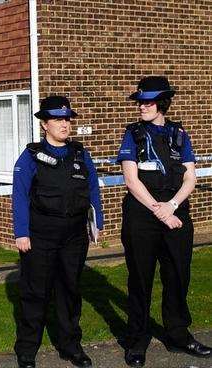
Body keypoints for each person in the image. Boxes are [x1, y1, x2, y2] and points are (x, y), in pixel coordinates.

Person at [116, 76, 211, 367]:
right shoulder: (132, 134)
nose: (142, 106)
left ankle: (178, 334)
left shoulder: (179, 134)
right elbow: (131, 180)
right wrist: (159, 211)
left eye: (149, 101)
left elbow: (190, 177)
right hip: (142, 214)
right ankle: (137, 340)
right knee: (140, 279)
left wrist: (172, 206)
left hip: (176, 210)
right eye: (141, 101)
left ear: (163, 103)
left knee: (178, 276)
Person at [12, 95, 103, 368]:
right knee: (35, 292)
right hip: (41, 233)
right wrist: (22, 232)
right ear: (45, 125)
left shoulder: (79, 153)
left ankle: (71, 346)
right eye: (58, 119)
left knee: (70, 291)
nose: (64, 124)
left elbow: (93, 188)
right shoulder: (30, 156)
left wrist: (96, 221)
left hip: (74, 234)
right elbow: (20, 195)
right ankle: (27, 349)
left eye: (67, 119)